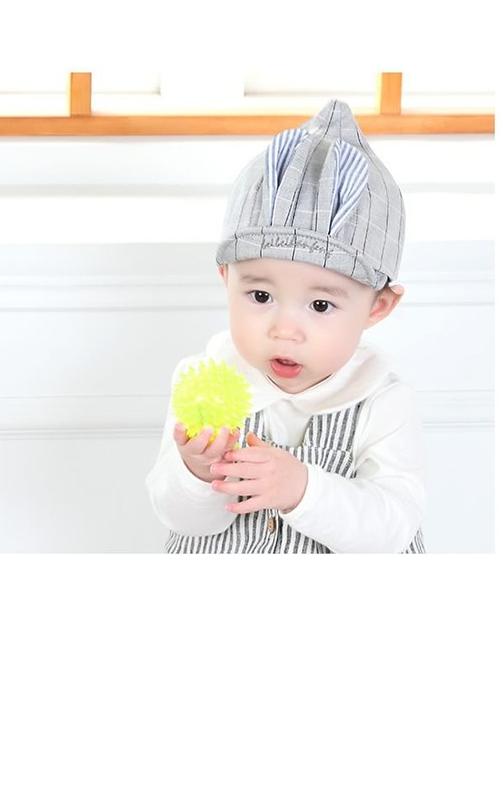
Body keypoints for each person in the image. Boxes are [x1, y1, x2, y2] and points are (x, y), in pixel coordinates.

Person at [146, 99, 426, 553]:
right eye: (261, 296)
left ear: (378, 307)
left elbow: (393, 528)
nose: (285, 330)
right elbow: (181, 521)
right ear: (226, 279)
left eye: (320, 304)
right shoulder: (204, 382)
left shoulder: (382, 400)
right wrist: (196, 470)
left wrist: (303, 490)